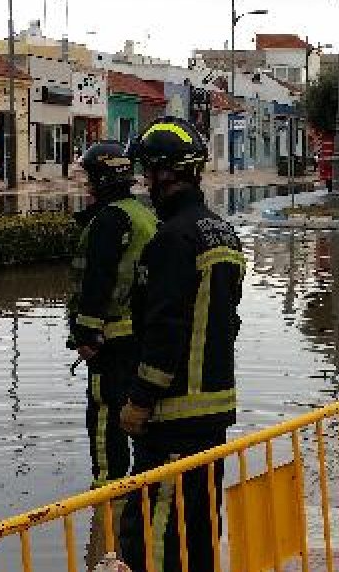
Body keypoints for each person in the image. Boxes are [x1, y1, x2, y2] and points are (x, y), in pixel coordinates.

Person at [118, 118, 245, 572]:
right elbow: (227, 321)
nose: (145, 183)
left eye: (148, 173)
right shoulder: (223, 233)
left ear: (165, 174)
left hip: (174, 415)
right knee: (200, 530)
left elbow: (164, 330)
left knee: (153, 534)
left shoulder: (171, 239)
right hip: (213, 409)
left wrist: (139, 399)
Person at [66, 141, 159, 568]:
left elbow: (97, 284)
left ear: (102, 179)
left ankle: (106, 535)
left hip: (110, 343)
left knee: (105, 431)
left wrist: (85, 334)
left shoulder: (110, 221)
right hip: (140, 342)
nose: (84, 187)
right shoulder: (143, 214)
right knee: (135, 427)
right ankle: (134, 518)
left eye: (88, 178)